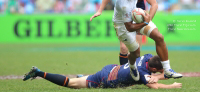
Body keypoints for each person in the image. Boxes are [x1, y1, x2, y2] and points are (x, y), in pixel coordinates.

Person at [109, 0, 183, 80]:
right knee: (136, 52)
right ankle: (132, 66)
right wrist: (145, 23)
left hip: (137, 16)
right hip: (122, 24)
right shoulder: (123, 4)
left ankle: (167, 70)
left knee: (159, 37)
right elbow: (129, 27)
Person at [90, 0, 153, 65]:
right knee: (124, 48)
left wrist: (148, 18)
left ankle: (134, 71)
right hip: (124, 14)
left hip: (138, 15)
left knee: (136, 49)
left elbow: (153, 2)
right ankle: (122, 73)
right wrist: (99, 10)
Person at [23, 54, 182, 89]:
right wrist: (172, 85)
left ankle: (84, 77)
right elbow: (154, 86)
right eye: (160, 70)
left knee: (129, 84)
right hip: (106, 78)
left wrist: (161, 75)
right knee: (71, 84)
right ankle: (39, 73)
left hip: (112, 68)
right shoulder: (141, 73)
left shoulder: (147, 58)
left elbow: (155, 77)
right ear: (153, 68)